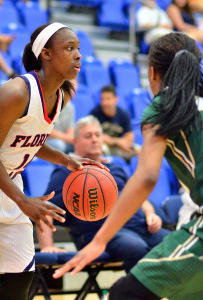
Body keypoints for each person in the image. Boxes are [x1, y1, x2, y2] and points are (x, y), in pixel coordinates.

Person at [0, 22, 105, 300]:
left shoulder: (61, 94)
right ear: (47, 54)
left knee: (21, 276)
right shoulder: (17, 92)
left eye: (79, 49)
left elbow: (30, 139)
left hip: (7, 181)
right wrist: (23, 201)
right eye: (70, 48)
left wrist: (66, 160)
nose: (78, 55)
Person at [53, 32, 203, 300]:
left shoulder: (164, 107)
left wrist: (100, 240)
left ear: (152, 72)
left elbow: (146, 178)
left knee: (124, 294)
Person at [37, 115, 170, 273]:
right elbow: (46, 208)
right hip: (99, 233)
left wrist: (150, 215)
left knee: (175, 243)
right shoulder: (66, 173)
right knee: (136, 247)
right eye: (88, 136)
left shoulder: (115, 167)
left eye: (98, 135)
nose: (94, 139)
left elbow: (137, 196)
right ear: (75, 142)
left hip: (140, 226)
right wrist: (47, 246)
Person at [89, 84, 140, 161]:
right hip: (103, 146)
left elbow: (130, 139)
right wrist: (117, 141)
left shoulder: (123, 114)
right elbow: (94, 137)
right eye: (102, 99)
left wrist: (114, 141)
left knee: (139, 150)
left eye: (108, 99)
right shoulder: (95, 113)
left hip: (118, 147)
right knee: (98, 149)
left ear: (116, 99)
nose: (105, 103)